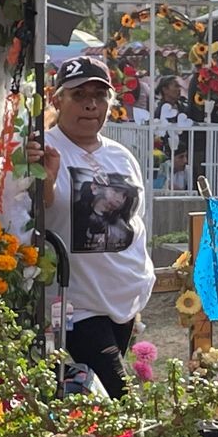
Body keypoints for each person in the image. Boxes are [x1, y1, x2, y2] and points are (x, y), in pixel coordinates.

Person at [29, 56, 155, 399]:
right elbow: (32, 216)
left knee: (95, 401)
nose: (90, 104)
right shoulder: (43, 150)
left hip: (124, 299)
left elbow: (135, 219)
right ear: (57, 100)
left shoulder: (121, 156)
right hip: (77, 306)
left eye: (99, 96)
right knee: (120, 398)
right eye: (79, 95)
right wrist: (46, 182)